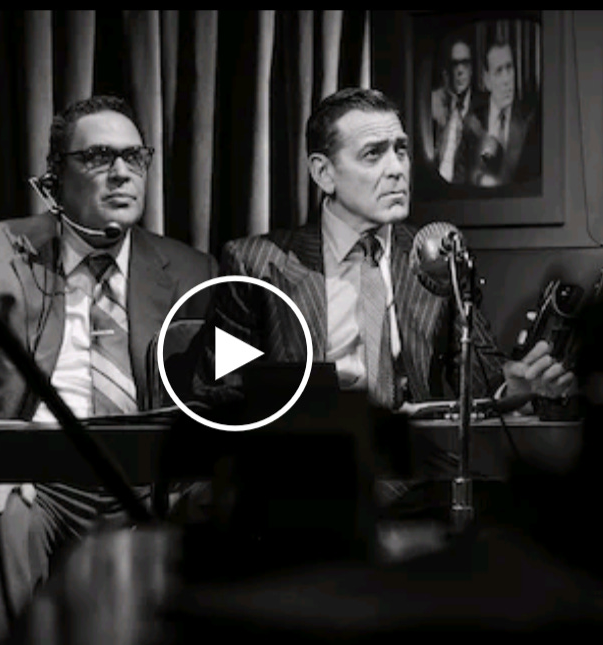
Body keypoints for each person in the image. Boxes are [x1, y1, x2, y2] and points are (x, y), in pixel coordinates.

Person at [0, 95, 218, 645]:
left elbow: (216, 397)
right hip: (32, 477)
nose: (122, 172)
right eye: (99, 157)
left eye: (134, 157)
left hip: (146, 482)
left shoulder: (191, 271)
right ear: (54, 178)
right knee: (6, 516)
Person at [185, 87, 572, 515]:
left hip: (418, 481)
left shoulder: (437, 255)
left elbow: (480, 378)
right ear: (324, 173)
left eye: (401, 150)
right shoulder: (256, 264)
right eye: (373, 154)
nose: (397, 170)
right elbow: (217, 396)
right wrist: (308, 407)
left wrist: (514, 386)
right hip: (302, 484)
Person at [467, 40, 541, 187]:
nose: (507, 79)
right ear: (487, 80)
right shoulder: (472, 121)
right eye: (499, 71)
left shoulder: (531, 119)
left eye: (509, 68)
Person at [431, 38, 487, 184]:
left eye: (465, 63)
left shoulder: (485, 108)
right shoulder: (435, 103)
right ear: (447, 70)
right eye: (454, 64)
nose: (460, 71)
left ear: (472, 69)